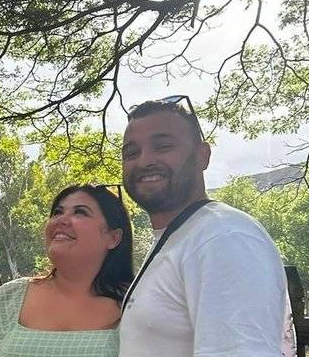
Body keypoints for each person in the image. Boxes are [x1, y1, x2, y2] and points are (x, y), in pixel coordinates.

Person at [118, 95, 297, 357]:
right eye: (131, 152)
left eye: (163, 146)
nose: (145, 160)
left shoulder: (224, 237)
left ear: (203, 156)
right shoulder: (181, 235)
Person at [0, 184, 133, 357]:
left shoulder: (135, 303)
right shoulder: (10, 296)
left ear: (113, 237)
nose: (61, 220)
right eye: (57, 212)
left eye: (80, 212)